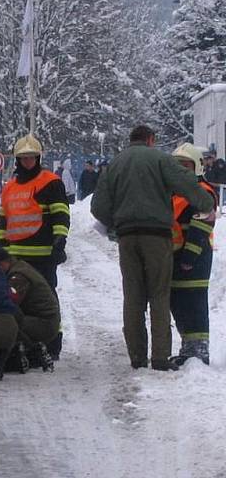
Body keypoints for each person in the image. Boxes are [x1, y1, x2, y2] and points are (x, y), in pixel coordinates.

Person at [91, 126, 214, 371]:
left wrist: (116, 226)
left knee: (133, 297)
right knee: (159, 294)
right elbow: (188, 186)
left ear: (131, 139)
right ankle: (159, 358)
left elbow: (98, 207)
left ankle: (137, 357)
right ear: (150, 139)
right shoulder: (160, 159)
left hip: (127, 238)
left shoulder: (115, 164)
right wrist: (206, 201)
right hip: (157, 237)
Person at [0, 134, 69, 358]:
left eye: (32, 157)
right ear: (17, 160)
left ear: (38, 157)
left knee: (46, 299)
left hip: (43, 255)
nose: (28, 161)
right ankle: (25, 341)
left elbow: (61, 213)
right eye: (24, 158)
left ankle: (53, 341)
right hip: (15, 256)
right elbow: (3, 218)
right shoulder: (9, 188)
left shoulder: (50, 182)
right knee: (18, 298)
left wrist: (59, 239)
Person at [169, 144, 218, 365]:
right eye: (177, 166)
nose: (181, 170)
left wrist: (190, 256)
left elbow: (202, 226)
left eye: (186, 165)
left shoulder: (204, 191)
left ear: (197, 167)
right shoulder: (172, 190)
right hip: (174, 256)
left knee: (194, 302)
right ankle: (188, 346)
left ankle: (199, 350)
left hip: (196, 257)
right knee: (177, 301)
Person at [0, 245, 60, 369]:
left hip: (44, 324)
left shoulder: (18, 276)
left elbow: (8, 303)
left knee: (5, 322)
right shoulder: (19, 267)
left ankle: (33, 350)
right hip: (42, 320)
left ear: (2, 263)